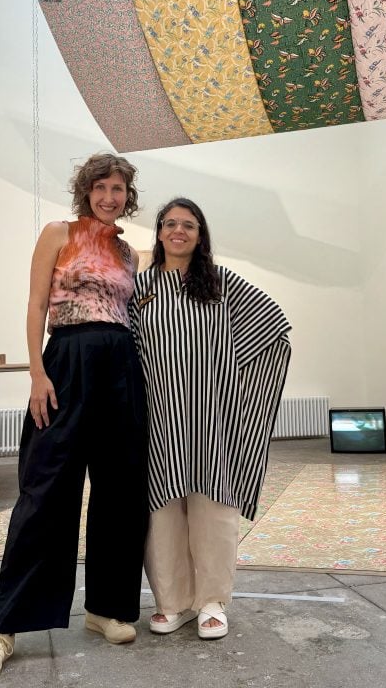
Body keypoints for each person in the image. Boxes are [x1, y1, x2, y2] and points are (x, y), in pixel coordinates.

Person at [0, 154, 149, 683]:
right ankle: (5, 627)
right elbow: (33, 305)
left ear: (127, 195)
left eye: (118, 188)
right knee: (45, 492)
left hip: (120, 366)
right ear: (86, 190)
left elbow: (130, 316)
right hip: (65, 362)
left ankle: (104, 608)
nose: (109, 196)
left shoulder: (126, 252)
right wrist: (37, 374)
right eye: (101, 187)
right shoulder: (58, 233)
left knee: (119, 490)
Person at [129, 197, 291, 640]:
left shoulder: (222, 284)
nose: (178, 231)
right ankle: (173, 602)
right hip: (158, 414)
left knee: (213, 506)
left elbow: (273, 326)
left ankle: (213, 601)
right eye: (170, 224)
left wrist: (232, 387)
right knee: (162, 509)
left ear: (200, 236)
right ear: (159, 232)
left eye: (189, 225)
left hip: (209, 416)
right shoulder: (138, 287)